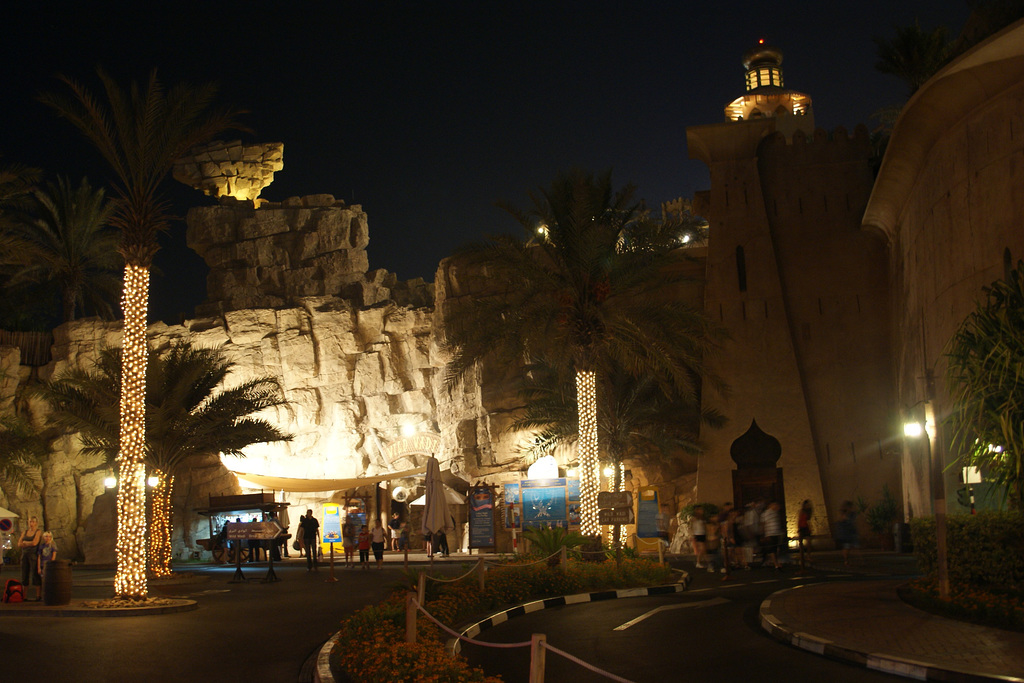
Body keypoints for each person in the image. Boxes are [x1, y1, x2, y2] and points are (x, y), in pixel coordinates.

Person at [18, 516, 42, 601]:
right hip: (24, 555)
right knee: (24, 574)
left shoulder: (38, 532)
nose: (30, 523)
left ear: (36, 523)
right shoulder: (25, 532)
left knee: (35, 574)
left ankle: (38, 595)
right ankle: (24, 596)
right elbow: (19, 543)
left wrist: (26, 543)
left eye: (32, 522)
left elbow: (35, 542)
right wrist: (27, 543)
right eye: (29, 521)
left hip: (33, 555)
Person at [760, 501, 783, 569]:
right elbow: (763, 524)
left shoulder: (775, 512)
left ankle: (774, 561)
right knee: (772, 549)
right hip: (770, 533)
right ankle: (775, 563)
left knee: (776, 548)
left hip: (776, 533)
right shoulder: (766, 513)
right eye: (775, 505)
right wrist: (764, 534)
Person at [836, 501, 860, 566]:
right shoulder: (844, 514)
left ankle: (856, 560)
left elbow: (854, 522)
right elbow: (841, 523)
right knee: (847, 547)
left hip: (851, 533)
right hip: (846, 534)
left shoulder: (852, 514)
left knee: (854, 546)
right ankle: (847, 560)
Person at [36, 531, 57, 600]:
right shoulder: (41, 546)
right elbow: (39, 557)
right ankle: (41, 595)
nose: (48, 538)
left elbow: (53, 556)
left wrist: (51, 565)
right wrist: (39, 567)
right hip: (43, 565)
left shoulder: (53, 545)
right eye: (46, 536)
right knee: (42, 581)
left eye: (49, 536)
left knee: (49, 581)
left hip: (49, 566)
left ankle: (49, 595)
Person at [797, 499, 813, 566]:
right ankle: (802, 555)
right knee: (801, 542)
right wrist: (798, 527)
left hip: (806, 527)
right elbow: (799, 519)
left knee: (809, 542)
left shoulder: (808, 511)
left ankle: (808, 556)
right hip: (802, 527)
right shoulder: (802, 511)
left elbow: (808, 519)